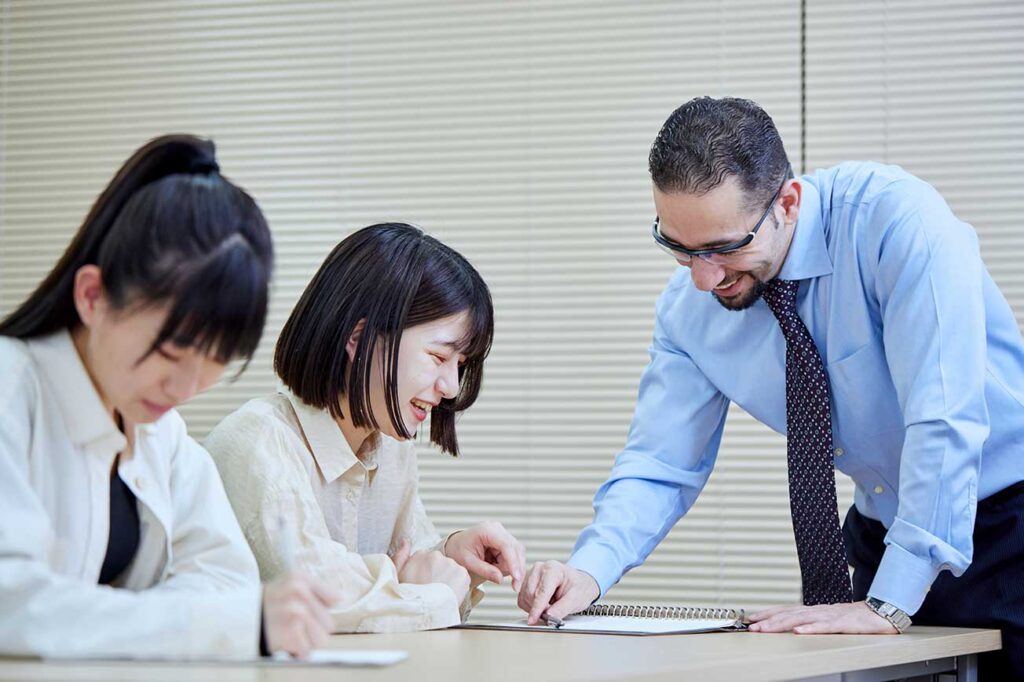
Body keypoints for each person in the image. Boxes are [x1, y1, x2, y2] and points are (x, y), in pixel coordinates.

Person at [517, 97, 1024, 679]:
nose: (704, 278)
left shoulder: (895, 221)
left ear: (787, 201)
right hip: (887, 536)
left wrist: (891, 599)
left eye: (724, 247)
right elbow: (660, 463)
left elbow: (945, 415)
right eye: (679, 247)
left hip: (1008, 526)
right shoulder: (689, 312)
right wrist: (588, 571)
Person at [0, 135, 338, 660]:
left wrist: (188, 621)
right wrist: (200, 622)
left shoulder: (161, 431)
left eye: (216, 358)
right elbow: (13, 606)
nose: (185, 389)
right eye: (173, 348)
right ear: (92, 296)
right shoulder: (10, 388)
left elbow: (227, 583)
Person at [205, 222, 526, 633]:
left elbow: (411, 568)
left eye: (459, 366)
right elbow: (320, 601)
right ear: (359, 338)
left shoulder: (391, 448)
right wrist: (429, 593)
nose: (449, 388)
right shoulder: (258, 443)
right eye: (438, 356)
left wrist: (452, 553)